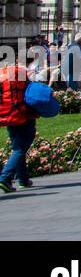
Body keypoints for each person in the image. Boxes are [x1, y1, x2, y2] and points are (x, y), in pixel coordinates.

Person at [0, 60, 41, 194]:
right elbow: (34, 95)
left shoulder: (4, 77)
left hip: (8, 115)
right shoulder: (24, 76)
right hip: (24, 116)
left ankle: (23, 179)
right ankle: (5, 179)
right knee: (20, 149)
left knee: (18, 147)